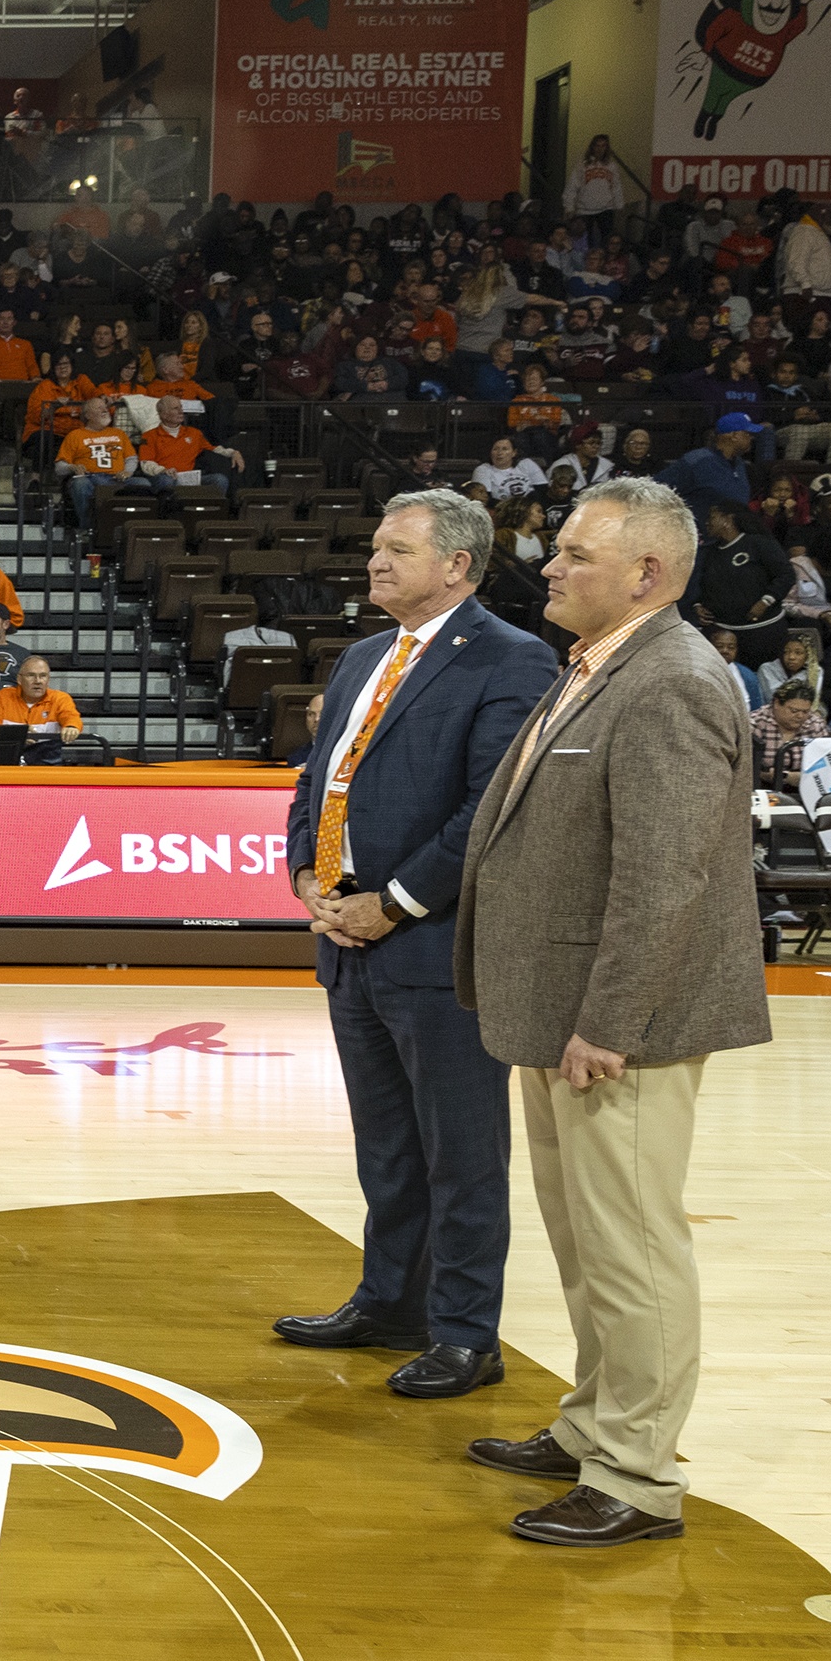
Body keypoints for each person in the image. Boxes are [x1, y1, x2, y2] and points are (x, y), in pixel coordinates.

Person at [454, 478, 771, 1547]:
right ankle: (594, 1421)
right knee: (588, 1242)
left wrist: (613, 1021)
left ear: (649, 573)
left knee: (632, 1248)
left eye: (578, 554)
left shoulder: (673, 679)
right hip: (561, 1010)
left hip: (618, 1026)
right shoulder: (600, 667)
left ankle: (636, 1476)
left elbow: (664, 879)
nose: (550, 565)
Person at [266, 491, 564, 1400]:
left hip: (435, 945)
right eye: (375, 546)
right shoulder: (363, 657)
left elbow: (490, 810)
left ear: (459, 566)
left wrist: (393, 902)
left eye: (398, 549)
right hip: (347, 937)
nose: (375, 561)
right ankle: (391, 1301)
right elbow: (317, 782)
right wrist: (309, 879)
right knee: (387, 1144)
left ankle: (467, 1333)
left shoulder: (514, 659)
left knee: (461, 1153)